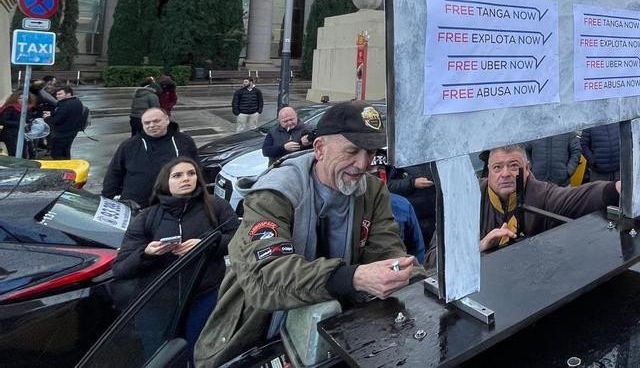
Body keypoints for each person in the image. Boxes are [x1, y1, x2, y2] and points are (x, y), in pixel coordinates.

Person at [194, 100, 418, 368]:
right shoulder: (273, 194)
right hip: (260, 334)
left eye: (370, 153)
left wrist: (414, 280)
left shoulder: (372, 191)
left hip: (340, 331)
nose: (363, 164)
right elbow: (266, 278)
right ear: (320, 148)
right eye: (352, 151)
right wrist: (353, 277)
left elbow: (388, 253)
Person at [112, 157, 237, 348]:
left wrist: (208, 243)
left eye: (191, 173)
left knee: (202, 353)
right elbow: (121, 268)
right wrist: (147, 253)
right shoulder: (148, 217)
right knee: (162, 355)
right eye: (177, 175)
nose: (186, 179)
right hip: (158, 304)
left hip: (204, 298)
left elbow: (239, 240)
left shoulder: (216, 207)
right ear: (165, 182)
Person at [478, 144, 640, 251]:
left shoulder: (542, 194)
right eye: (497, 167)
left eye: (513, 166)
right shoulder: (471, 196)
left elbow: (578, 197)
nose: (505, 173)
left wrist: (620, 188)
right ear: (488, 171)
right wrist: (480, 248)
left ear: (527, 169)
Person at [103, 108, 199, 210]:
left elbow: (197, 171)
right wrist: (111, 200)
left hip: (175, 206)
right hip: (138, 208)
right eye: (147, 123)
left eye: (156, 121)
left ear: (167, 120)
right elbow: (113, 175)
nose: (152, 125)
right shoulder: (129, 145)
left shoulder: (185, 141)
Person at [367, 152, 427, 264]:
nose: (376, 174)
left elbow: (416, 249)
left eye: (380, 169)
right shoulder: (349, 207)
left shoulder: (402, 205)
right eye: (369, 170)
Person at [44, 84, 86, 159]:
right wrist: (52, 114)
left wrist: (47, 118)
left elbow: (56, 120)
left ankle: (61, 169)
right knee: (66, 151)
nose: (57, 96)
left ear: (68, 94)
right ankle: (67, 167)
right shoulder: (76, 101)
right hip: (72, 131)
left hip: (62, 133)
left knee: (57, 154)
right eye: (57, 94)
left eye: (60, 94)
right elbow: (66, 114)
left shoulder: (65, 104)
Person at [0, 91, 35, 157]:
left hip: (23, 134)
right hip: (11, 134)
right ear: (15, 99)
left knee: (23, 154)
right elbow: (2, 121)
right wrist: (19, 124)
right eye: (20, 98)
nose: (22, 100)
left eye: (24, 98)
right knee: (14, 154)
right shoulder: (11, 108)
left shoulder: (28, 108)